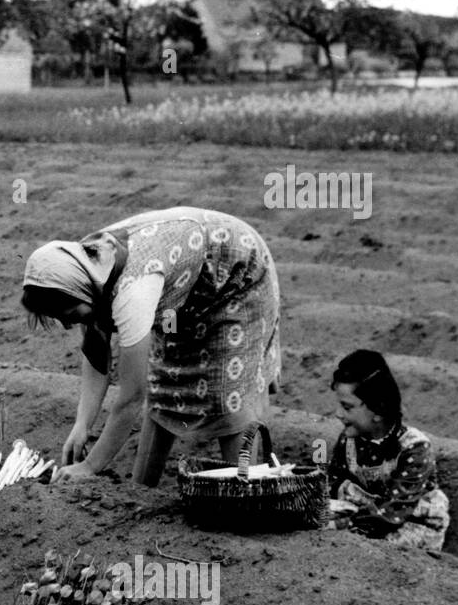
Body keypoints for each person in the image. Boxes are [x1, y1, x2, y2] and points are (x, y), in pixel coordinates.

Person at [22, 207, 281, 486]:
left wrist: (90, 466)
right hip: (183, 284)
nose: (66, 325)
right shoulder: (83, 269)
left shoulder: (133, 289)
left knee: (229, 393)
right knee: (164, 380)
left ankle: (246, 491)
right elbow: (96, 355)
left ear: (80, 290)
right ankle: (141, 490)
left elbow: (131, 397)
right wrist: (81, 425)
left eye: (69, 314)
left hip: (236, 270)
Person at [326, 349, 450, 553]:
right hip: (366, 517)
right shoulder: (348, 441)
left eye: (347, 408)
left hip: (409, 523)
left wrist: (343, 526)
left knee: (370, 551)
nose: (338, 414)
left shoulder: (414, 448)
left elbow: (395, 510)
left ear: (378, 409)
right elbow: (332, 482)